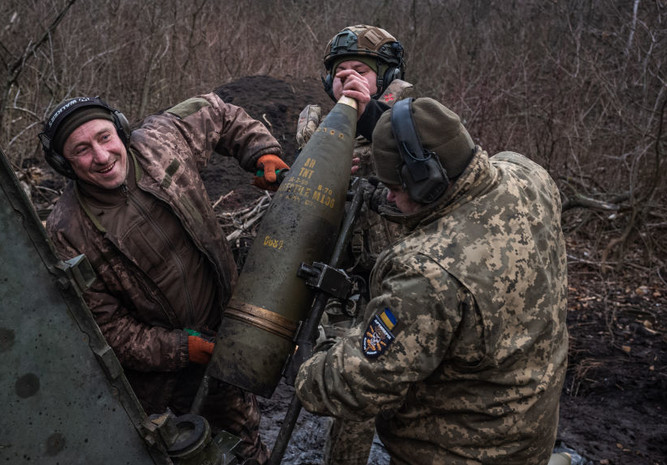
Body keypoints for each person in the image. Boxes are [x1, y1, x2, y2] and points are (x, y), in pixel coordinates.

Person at [295, 96, 569, 464]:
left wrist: (306, 367)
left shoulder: (426, 271)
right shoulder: (528, 174)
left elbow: (357, 384)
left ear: (427, 181)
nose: (388, 193)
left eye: (395, 186)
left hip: (456, 452)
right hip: (529, 434)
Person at [39, 94, 289, 464]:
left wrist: (260, 151)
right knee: (231, 447)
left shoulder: (161, 141)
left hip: (233, 312)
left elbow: (217, 112)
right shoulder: (66, 231)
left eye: (105, 137)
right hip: (180, 369)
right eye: (82, 149)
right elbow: (107, 328)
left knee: (254, 410)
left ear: (120, 130)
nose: (103, 156)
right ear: (65, 163)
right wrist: (180, 349)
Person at [294, 24, 415, 465]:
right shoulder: (319, 121)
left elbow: (402, 148)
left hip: (397, 279)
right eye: (340, 71)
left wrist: (368, 113)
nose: (347, 77)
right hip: (340, 280)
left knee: (401, 398)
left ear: (385, 77)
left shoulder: (411, 118)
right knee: (349, 393)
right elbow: (317, 155)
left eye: (360, 70)